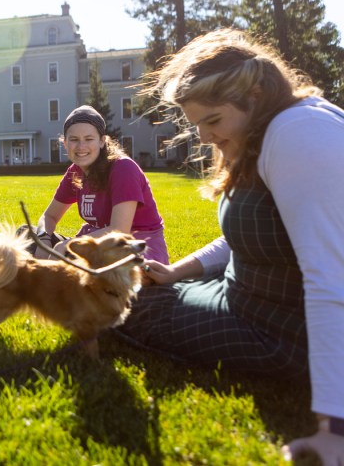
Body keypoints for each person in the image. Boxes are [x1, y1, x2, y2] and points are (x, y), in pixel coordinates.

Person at [113, 29, 344, 463]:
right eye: (197, 124)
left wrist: (335, 427)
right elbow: (250, 235)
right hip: (241, 296)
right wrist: (177, 270)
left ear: (254, 96)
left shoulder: (300, 135)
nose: (203, 137)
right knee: (146, 289)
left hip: (280, 332)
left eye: (212, 120)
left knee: (124, 305)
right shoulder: (268, 130)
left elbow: (331, 275)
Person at [31, 105, 169, 263]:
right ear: (65, 144)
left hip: (134, 248)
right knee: (26, 237)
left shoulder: (123, 168)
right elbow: (49, 216)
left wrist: (69, 244)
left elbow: (119, 231)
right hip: (95, 245)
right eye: (74, 140)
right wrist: (43, 241)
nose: (81, 146)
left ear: (102, 141)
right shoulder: (75, 171)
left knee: (77, 267)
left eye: (89, 139)